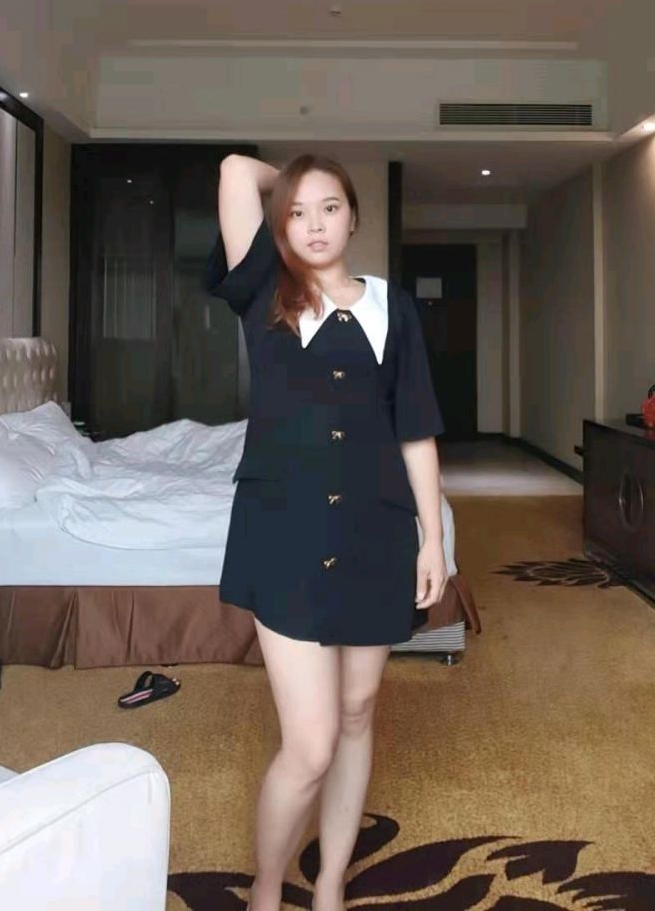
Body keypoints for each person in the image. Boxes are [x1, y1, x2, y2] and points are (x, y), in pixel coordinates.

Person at [203, 152, 447, 911]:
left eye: (330, 207)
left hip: (377, 530)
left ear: (354, 217)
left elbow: (414, 427)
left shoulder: (392, 307)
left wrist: (433, 538)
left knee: (356, 713)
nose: (314, 225)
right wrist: (292, 178)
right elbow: (234, 169)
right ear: (281, 224)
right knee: (309, 744)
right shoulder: (263, 290)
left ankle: (331, 881)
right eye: (298, 212)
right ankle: (267, 887)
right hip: (284, 534)